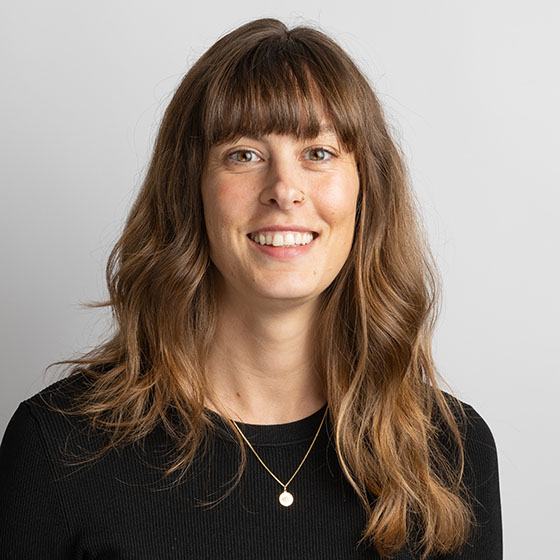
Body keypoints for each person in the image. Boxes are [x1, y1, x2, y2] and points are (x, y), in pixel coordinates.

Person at [0, 17, 502, 559]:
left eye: (319, 153)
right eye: (244, 154)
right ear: (189, 191)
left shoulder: (451, 455)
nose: (284, 190)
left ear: (366, 191)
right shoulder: (58, 448)